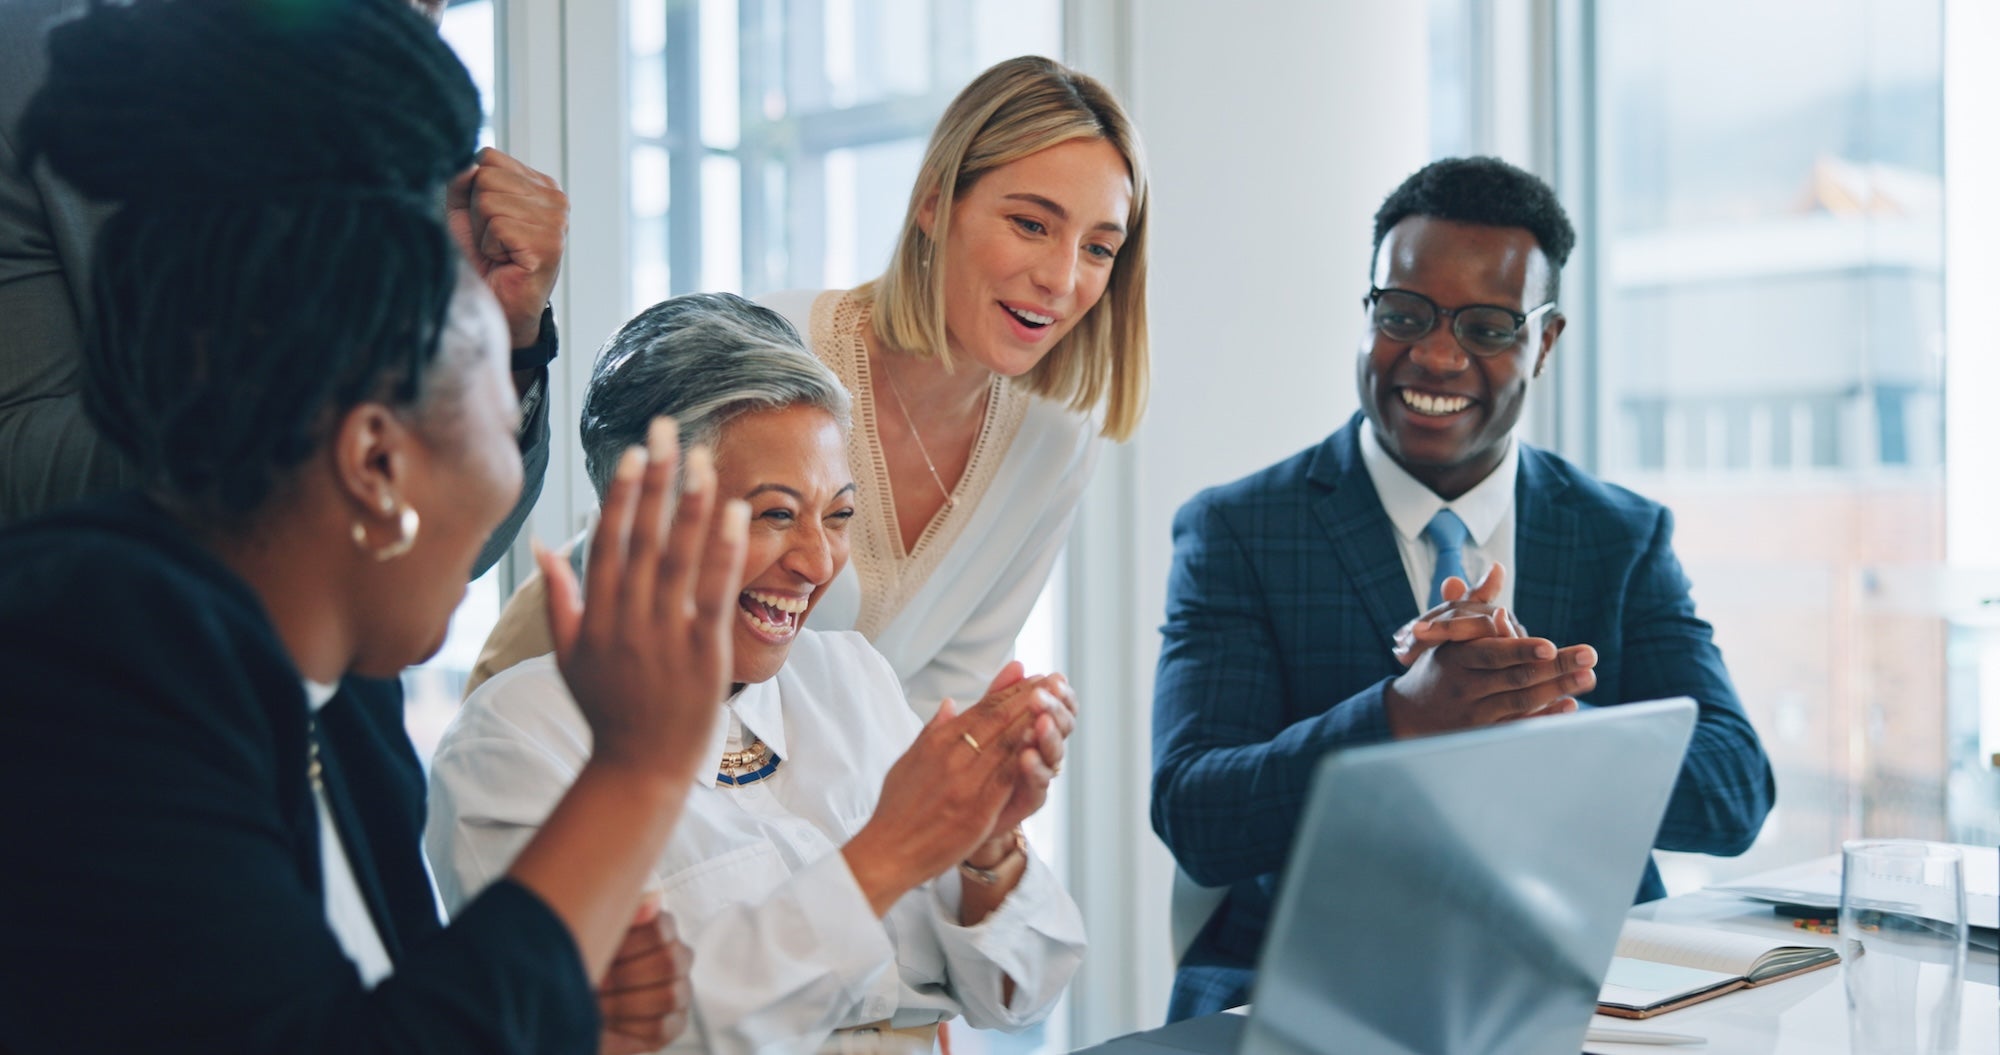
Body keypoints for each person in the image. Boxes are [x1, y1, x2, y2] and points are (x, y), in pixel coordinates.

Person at [0, 2, 744, 1051]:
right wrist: (638, 767)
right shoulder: (96, 677)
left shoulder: (330, 714)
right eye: (500, 404)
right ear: (374, 459)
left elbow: (358, 1007)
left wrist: (547, 999)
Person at [1149, 156, 1778, 1020]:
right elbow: (1196, 811)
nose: (1436, 356)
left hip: (1579, 987)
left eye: (1487, 327)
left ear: (1544, 343)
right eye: (1404, 315)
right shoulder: (1241, 530)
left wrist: (1537, 719)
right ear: (1369, 313)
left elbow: (1733, 792)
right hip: (1310, 985)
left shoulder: (1620, 535)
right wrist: (1402, 715)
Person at [427, 293, 1086, 1054]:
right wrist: (889, 851)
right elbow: (617, 1037)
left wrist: (987, 847)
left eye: (837, 516)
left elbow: (1024, 991)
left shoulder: (850, 679)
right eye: (775, 514)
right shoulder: (515, 743)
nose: (817, 564)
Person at [466, 55, 1150, 715]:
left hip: (775, 793)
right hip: (576, 700)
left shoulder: (1057, 443)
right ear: (935, 204)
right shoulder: (782, 337)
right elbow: (648, 578)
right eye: (1031, 225)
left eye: (1098, 248)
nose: (1062, 279)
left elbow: (941, 699)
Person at [0, 0, 567, 576]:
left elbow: (450, 555)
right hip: (117, 648)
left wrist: (501, 339)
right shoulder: (28, 64)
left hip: (345, 660)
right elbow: (19, 476)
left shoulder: (404, 108)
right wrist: (305, 359)